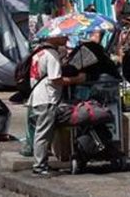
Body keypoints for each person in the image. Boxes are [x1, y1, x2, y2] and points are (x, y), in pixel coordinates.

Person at [29, 37, 86, 176]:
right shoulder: (52, 54)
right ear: (53, 37)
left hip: (38, 97)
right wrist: (77, 79)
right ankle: (39, 166)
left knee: (42, 133)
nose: (66, 38)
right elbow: (55, 80)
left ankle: (41, 164)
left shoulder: (39, 52)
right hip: (47, 98)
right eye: (62, 36)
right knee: (43, 134)